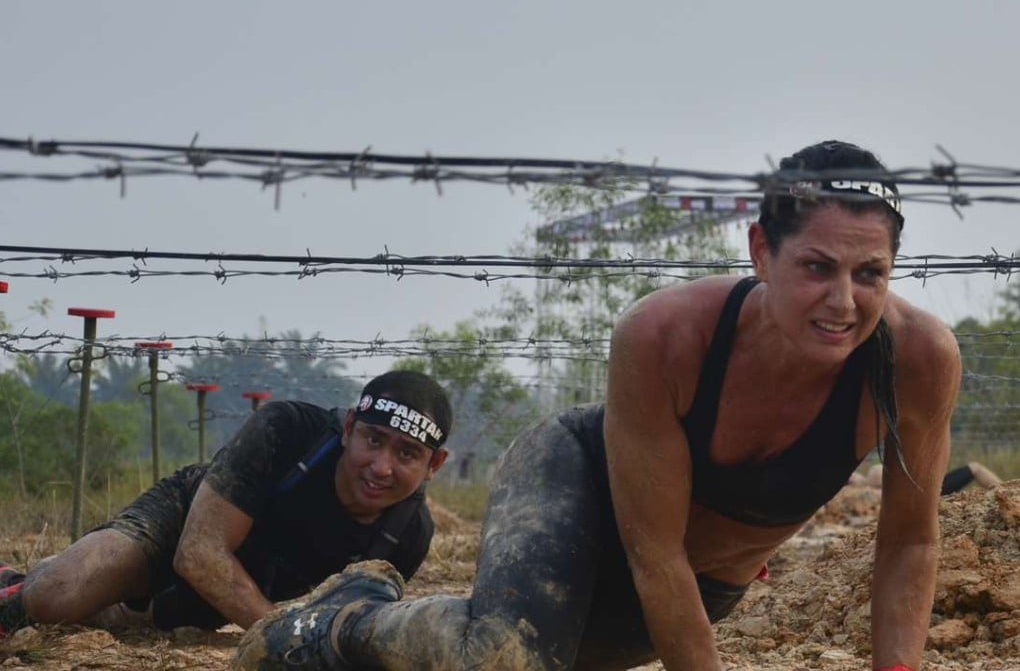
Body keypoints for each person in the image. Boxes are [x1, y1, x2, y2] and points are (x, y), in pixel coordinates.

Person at [233, 140, 961, 671]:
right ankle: (341, 624)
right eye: (817, 268)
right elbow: (655, 550)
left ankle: (380, 607)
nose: (844, 302)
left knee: (539, 653)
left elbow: (909, 543)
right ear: (761, 251)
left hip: (699, 580)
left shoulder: (917, 361)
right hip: (583, 484)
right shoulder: (667, 334)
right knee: (504, 658)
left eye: (871, 274)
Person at [0, 370, 451, 637]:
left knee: (119, 624)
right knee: (58, 595)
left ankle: (118, 602)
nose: (382, 467)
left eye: (407, 454)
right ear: (350, 428)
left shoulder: (408, 534)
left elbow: (355, 617)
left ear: (434, 465)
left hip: (239, 589)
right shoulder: (288, 429)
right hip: (183, 523)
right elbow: (198, 553)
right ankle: (18, 585)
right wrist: (283, 640)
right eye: (373, 440)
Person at [849, 461, 1003, 495]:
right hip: (914, 492)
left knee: (974, 467)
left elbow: (975, 469)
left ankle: (1010, 494)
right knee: (876, 470)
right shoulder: (858, 491)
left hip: (917, 491)